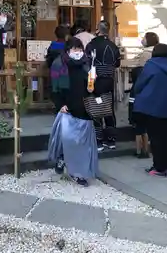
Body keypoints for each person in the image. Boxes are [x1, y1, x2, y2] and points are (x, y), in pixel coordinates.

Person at [48, 37, 98, 187]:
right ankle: (62, 158)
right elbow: (54, 87)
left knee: (82, 143)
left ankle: (78, 172)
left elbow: (90, 87)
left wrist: (92, 85)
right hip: (67, 107)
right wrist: (59, 104)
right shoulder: (59, 64)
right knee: (68, 139)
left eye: (80, 49)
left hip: (84, 107)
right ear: (68, 50)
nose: (78, 52)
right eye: (75, 49)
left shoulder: (86, 64)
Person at [86, 20, 121, 152]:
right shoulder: (113, 46)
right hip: (109, 80)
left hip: (95, 80)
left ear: (97, 29)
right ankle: (111, 140)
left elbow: (87, 62)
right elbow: (117, 63)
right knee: (109, 109)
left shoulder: (91, 45)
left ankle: (99, 140)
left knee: (96, 109)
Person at [133, 43, 167, 177]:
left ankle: (159, 167)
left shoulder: (151, 65)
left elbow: (139, 85)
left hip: (153, 108)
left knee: (156, 138)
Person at [126, 32, 159, 158]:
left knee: (139, 126)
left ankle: (140, 150)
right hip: (156, 94)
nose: (142, 40)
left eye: (144, 38)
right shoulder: (158, 52)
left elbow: (139, 74)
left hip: (141, 95)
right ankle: (147, 148)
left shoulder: (145, 54)